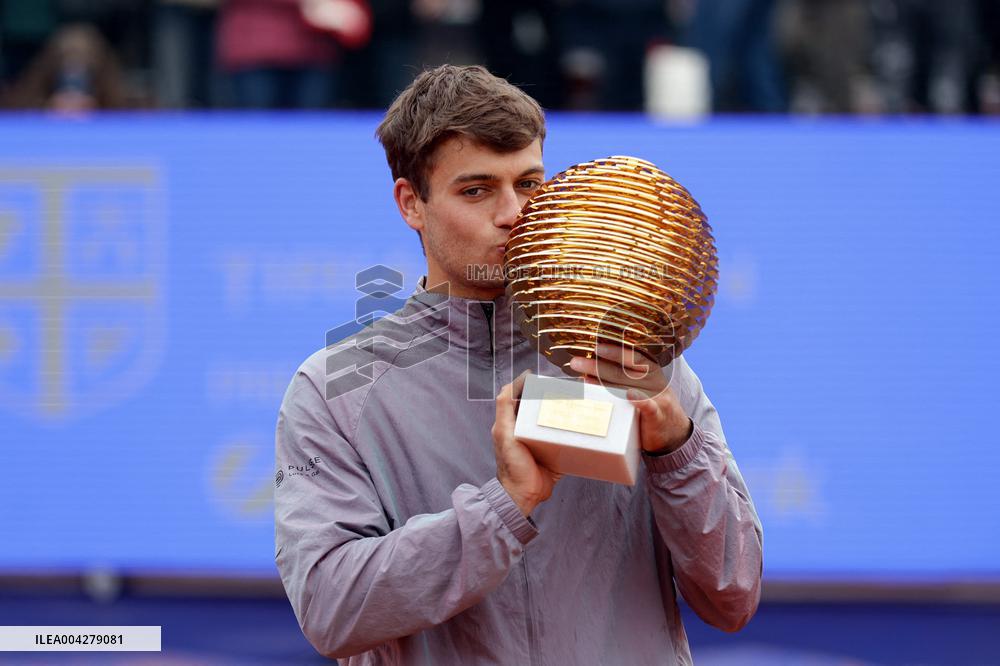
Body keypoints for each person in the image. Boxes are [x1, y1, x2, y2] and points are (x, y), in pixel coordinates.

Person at [274, 64, 762, 664]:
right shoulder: (334, 390)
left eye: (530, 184)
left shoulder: (632, 353)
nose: (513, 214)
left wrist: (675, 451)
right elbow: (331, 609)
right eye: (476, 190)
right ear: (411, 203)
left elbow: (733, 596)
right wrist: (503, 507)